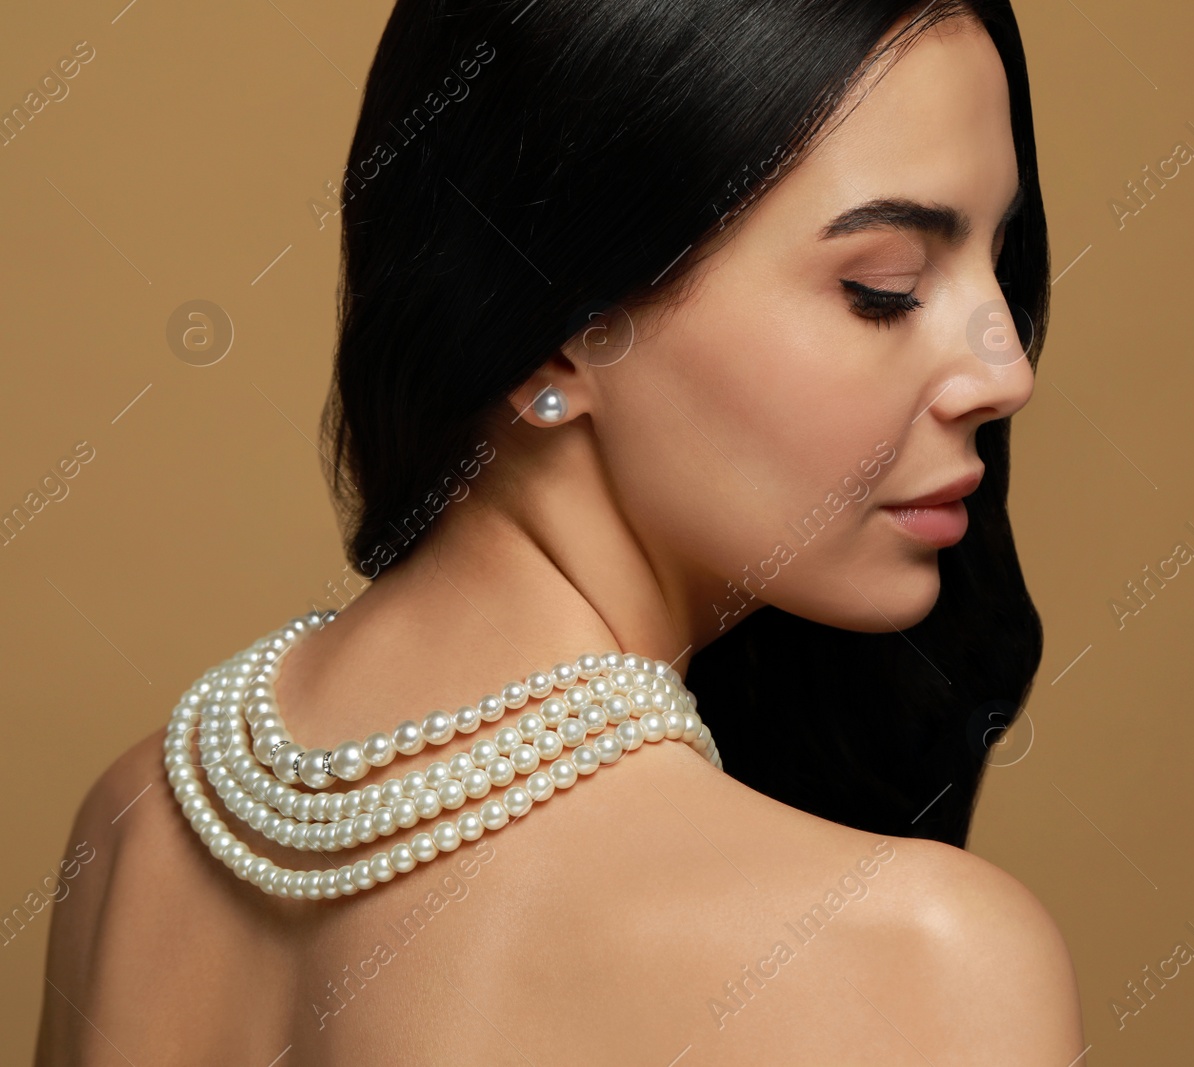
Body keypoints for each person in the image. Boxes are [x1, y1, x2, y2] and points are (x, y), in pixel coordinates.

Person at [36, 1, 1084, 1062]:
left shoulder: (136, 830)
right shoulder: (913, 953)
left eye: (1001, 260)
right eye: (884, 289)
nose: (1006, 373)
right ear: (554, 338)